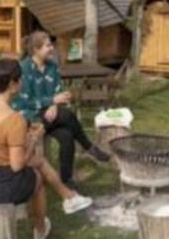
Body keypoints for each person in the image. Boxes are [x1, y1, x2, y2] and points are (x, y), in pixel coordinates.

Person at [0, 58, 93, 239]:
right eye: (21, 79)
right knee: (37, 177)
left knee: (38, 162)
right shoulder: (14, 119)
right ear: (12, 84)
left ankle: (68, 198)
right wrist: (34, 140)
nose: (23, 82)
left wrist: (24, 136)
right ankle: (41, 229)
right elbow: (17, 165)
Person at [12, 31, 110, 189]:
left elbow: (58, 92)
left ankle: (66, 179)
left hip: (52, 116)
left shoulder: (53, 67)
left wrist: (54, 105)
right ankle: (88, 147)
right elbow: (24, 102)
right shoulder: (23, 69)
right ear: (36, 49)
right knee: (68, 115)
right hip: (31, 117)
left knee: (67, 135)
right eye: (48, 45)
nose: (52, 48)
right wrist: (51, 101)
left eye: (51, 44)